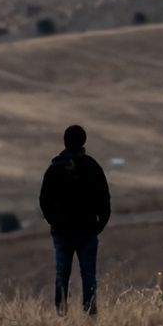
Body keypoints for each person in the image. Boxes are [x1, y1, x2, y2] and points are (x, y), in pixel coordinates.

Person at [39, 124, 111, 315]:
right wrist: (99, 224)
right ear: (83, 141)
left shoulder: (55, 168)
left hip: (62, 231)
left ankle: (61, 313)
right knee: (88, 275)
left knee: (62, 274)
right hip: (87, 229)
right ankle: (90, 313)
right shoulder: (92, 166)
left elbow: (44, 200)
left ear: (65, 141)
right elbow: (104, 198)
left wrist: (53, 221)